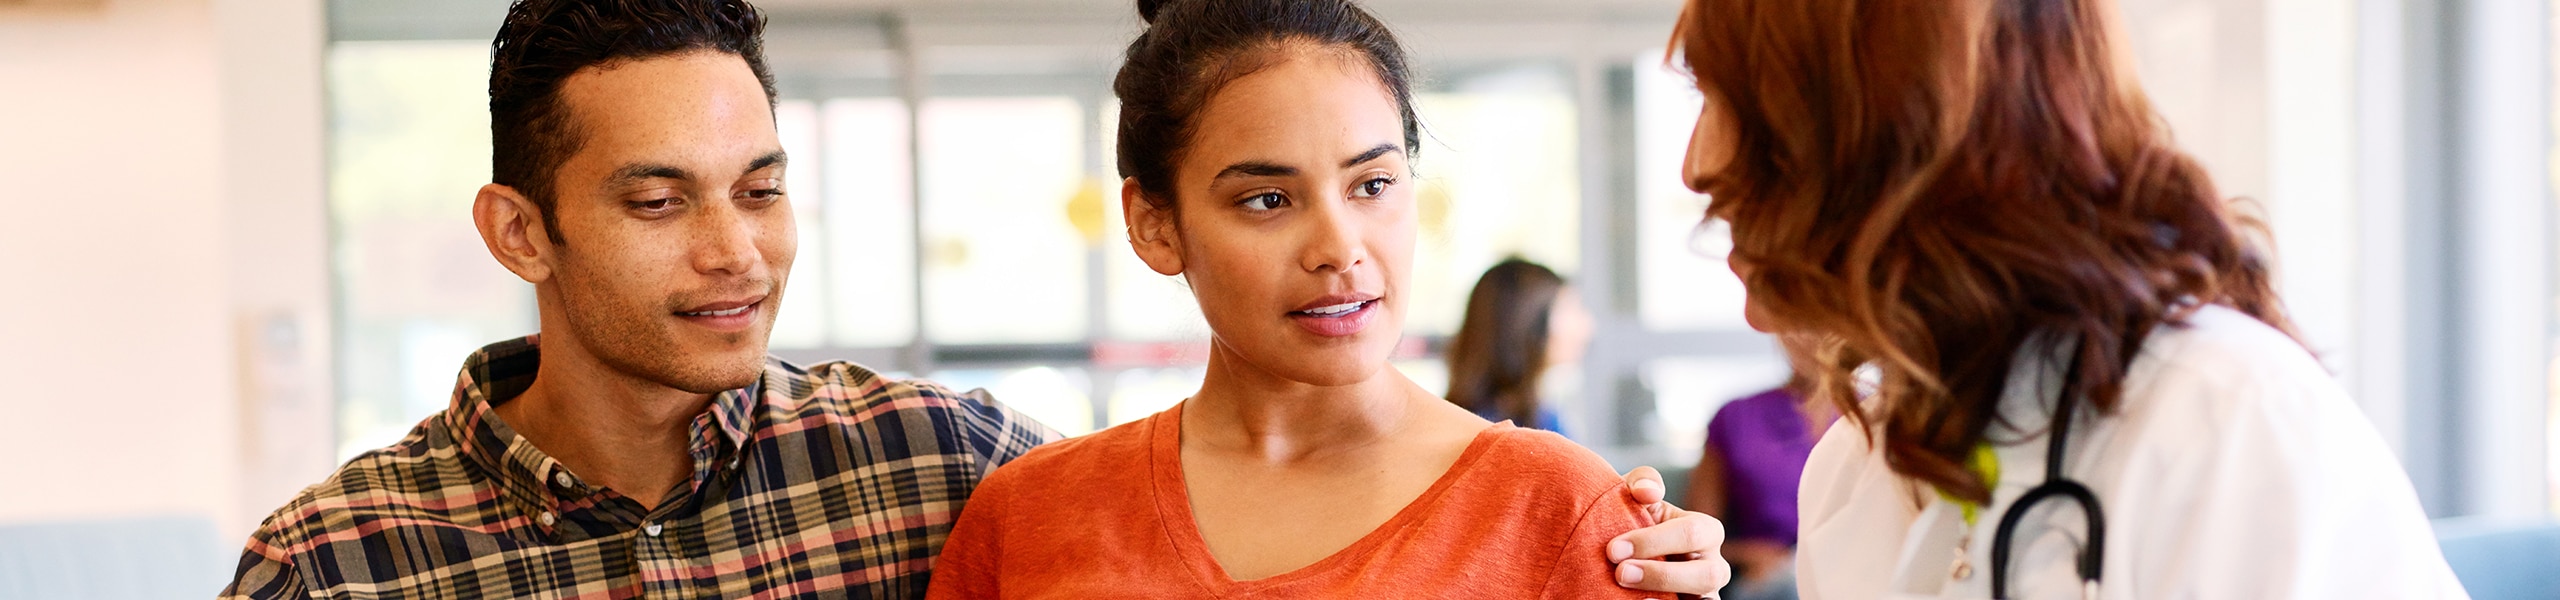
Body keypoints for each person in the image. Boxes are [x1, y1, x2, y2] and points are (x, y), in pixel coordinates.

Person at [221, 0, 1730, 597]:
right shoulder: (337, 568)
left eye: (760, 185)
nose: (736, 251)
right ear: (518, 232)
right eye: (656, 200)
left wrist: (1649, 542)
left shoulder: (938, 462)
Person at [924, 0, 1732, 597]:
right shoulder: (1031, 514)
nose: (1340, 247)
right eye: (1267, 199)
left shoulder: (1558, 509)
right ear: (1154, 225)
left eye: (1373, 184)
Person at [1666, 0, 2467, 598]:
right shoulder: (1855, 469)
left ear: (1887, 126)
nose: (1696, 165)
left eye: (1722, 96)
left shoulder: (2227, 422)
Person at [1686, 337, 1835, 600]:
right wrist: (1749, 554)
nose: (1807, 337)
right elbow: (1692, 538)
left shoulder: (1881, 420)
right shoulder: (1735, 418)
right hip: (1771, 580)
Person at [1445, 258, 1594, 436]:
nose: (1587, 326)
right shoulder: (1510, 432)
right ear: (1525, 321)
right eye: (1570, 309)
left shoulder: (1543, 416)